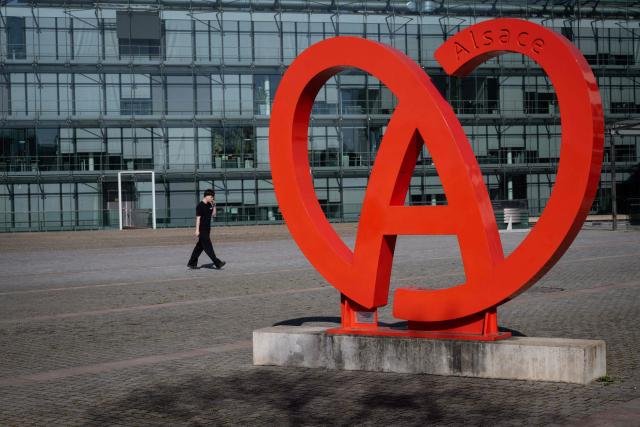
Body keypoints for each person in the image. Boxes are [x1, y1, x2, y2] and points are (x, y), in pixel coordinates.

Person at [187, 189, 226, 270]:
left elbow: (213, 215)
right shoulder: (200, 206)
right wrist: (197, 230)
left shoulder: (209, 205)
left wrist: (214, 205)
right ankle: (217, 263)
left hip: (207, 229)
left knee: (199, 247)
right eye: (211, 197)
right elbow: (198, 218)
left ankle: (192, 263)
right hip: (202, 230)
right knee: (208, 247)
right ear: (207, 196)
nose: (212, 198)